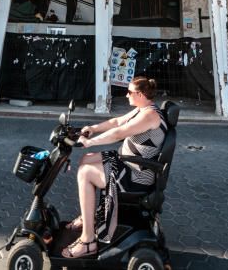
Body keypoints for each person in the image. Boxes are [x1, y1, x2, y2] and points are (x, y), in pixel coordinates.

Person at [62, 75, 167, 259]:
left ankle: (88, 241)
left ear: (141, 94)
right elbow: (116, 122)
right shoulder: (141, 109)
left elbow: (119, 132)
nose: (126, 96)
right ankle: (89, 217)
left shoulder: (149, 115)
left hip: (137, 174)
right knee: (86, 159)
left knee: (86, 173)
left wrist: (90, 142)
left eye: (129, 92)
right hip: (127, 162)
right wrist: (92, 128)